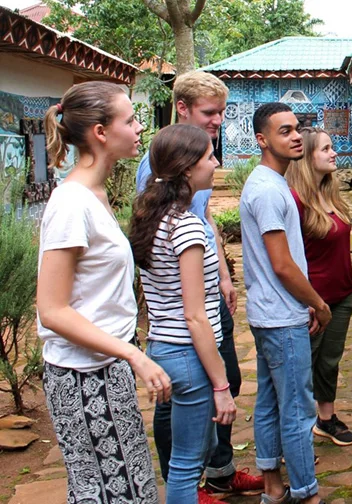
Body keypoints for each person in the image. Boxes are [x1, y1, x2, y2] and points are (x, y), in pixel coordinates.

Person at [36, 81, 169, 503]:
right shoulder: (71, 204)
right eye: (129, 121)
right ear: (100, 132)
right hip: (83, 375)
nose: (138, 128)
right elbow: (52, 309)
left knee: (128, 488)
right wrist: (132, 353)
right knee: (113, 492)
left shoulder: (96, 195)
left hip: (104, 366)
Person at [135, 70, 262, 499]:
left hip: (195, 310)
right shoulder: (161, 170)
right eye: (210, 113)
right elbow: (185, 300)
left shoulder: (184, 200)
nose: (218, 122)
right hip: (187, 330)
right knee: (186, 408)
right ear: (183, 108)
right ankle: (185, 485)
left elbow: (202, 220)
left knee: (223, 381)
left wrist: (223, 275)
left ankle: (217, 470)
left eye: (222, 113)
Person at [129, 124, 237, 503]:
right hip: (189, 354)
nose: (216, 163)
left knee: (191, 454)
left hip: (164, 345)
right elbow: (195, 317)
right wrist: (221, 386)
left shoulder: (151, 218)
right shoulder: (186, 226)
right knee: (186, 466)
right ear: (188, 168)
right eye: (209, 156)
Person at [240, 102, 332, 504]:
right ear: (262, 140)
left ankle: (273, 487)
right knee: (297, 410)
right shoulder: (265, 191)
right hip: (281, 317)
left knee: (269, 403)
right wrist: (318, 303)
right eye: (284, 131)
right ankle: (306, 494)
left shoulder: (273, 184)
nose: (295, 136)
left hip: (269, 314)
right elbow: (281, 264)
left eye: (297, 129)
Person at [286, 127, 352, 447]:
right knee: (300, 369)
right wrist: (308, 302)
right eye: (326, 149)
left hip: (342, 296)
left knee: (330, 361)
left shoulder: (331, 193)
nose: (333, 153)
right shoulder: (294, 201)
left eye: (333, 147)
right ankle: (290, 435)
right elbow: (285, 258)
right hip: (313, 302)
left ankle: (326, 419)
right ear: (307, 157)